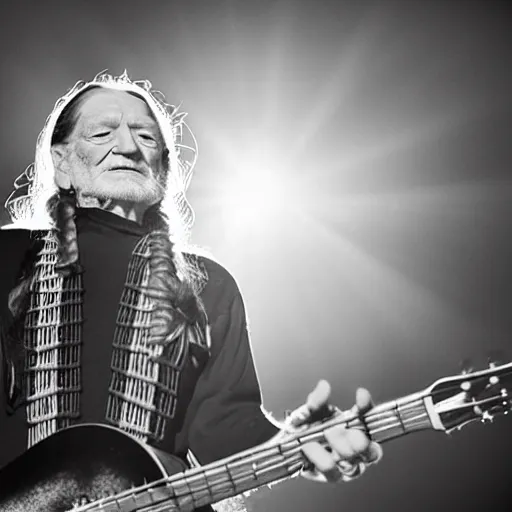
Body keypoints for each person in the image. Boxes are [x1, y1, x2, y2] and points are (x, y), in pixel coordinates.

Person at [0, 71, 382, 511]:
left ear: (163, 165)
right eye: (103, 132)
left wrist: (296, 443)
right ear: (63, 163)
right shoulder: (8, 258)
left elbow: (225, 431)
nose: (127, 147)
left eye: (145, 137)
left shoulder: (208, 285)